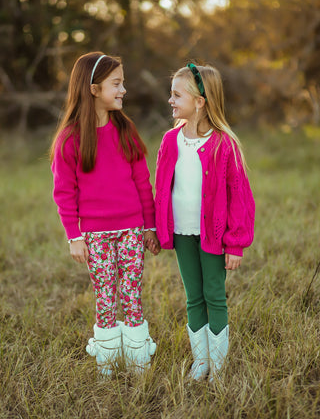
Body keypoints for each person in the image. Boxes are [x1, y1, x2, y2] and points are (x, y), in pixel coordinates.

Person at [50, 52, 160, 376]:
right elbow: (64, 192)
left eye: (122, 83)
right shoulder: (70, 139)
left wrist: (149, 228)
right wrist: (74, 236)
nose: (123, 89)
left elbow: (143, 182)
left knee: (132, 290)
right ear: (94, 88)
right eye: (117, 83)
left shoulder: (125, 130)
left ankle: (139, 356)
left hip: (131, 229)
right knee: (105, 293)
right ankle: (108, 358)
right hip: (94, 234)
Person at [154, 63, 255, 382]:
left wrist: (235, 242)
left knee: (214, 295)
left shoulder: (224, 144)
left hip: (213, 235)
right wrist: (157, 229)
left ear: (200, 101)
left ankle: (219, 365)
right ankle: (201, 360)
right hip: (182, 233)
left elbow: (240, 197)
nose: (170, 100)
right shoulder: (170, 141)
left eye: (176, 95)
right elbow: (161, 189)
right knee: (192, 296)